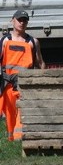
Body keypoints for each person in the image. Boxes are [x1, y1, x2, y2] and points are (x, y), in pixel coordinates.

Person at [0, 10, 45, 141]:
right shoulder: (5, 40)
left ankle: (20, 138)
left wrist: (45, 81)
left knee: (22, 112)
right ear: (12, 20)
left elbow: (40, 63)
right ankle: (11, 139)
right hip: (7, 84)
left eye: (25, 20)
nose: (22, 22)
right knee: (10, 113)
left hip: (25, 84)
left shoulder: (33, 42)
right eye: (19, 20)